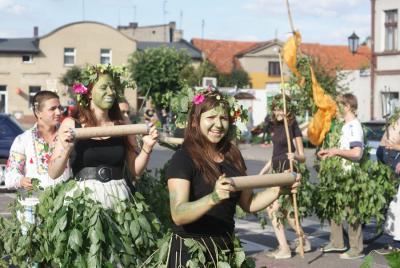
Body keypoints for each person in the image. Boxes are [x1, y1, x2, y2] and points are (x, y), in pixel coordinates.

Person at [165, 89, 300, 267]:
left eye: (223, 118)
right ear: (195, 122)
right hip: (189, 254)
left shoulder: (233, 155)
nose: (218, 124)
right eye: (211, 118)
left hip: (225, 252)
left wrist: (278, 190)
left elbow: (248, 203)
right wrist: (213, 197)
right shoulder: (183, 158)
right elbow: (178, 214)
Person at [48, 64, 158, 208]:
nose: (111, 92)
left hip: (119, 199)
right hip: (83, 200)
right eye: (104, 87)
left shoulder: (123, 123)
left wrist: (147, 148)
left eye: (112, 87)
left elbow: (135, 171)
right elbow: (53, 173)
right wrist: (66, 150)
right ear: (89, 94)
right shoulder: (71, 124)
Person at [259, 95, 310, 259]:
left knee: (272, 209)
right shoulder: (276, 125)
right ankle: (304, 240)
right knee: (288, 212)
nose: (278, 111)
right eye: (275, 108)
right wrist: (263, 171)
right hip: (275, 171)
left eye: (281, 107)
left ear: (287, 108)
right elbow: (275, 154)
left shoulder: (292, 125)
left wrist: (294, 156)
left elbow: (303, 156)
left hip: (287, 171)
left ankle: (284, 248)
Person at [317, 93, 364, 259]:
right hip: (339, 174)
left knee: (352, 214)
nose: (336, 109)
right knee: (334, 208)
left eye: (339, 106)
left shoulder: (354, 126)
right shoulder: (344, 126)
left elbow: (357, 153)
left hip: (350, 175)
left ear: (347, 107)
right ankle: (337, 243)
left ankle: (356, 249)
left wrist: (336, 151)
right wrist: (329, 152)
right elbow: (341, 150)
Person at [5, 90, 70, 190]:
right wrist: (21, 180)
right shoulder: (23, 140)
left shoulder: (68, 136)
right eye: (52, 109)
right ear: (38, 112)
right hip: (33, 201)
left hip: (65, 200)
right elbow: (9, 177)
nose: (58, 112)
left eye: (59, 108)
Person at [376, 116, 400, 251]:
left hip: (395, 154)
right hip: (387, 153)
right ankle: (396, 239)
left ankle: (398, 242)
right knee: (394, 203)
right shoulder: (396, 116)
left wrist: (395, 146)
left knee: (398, 204)